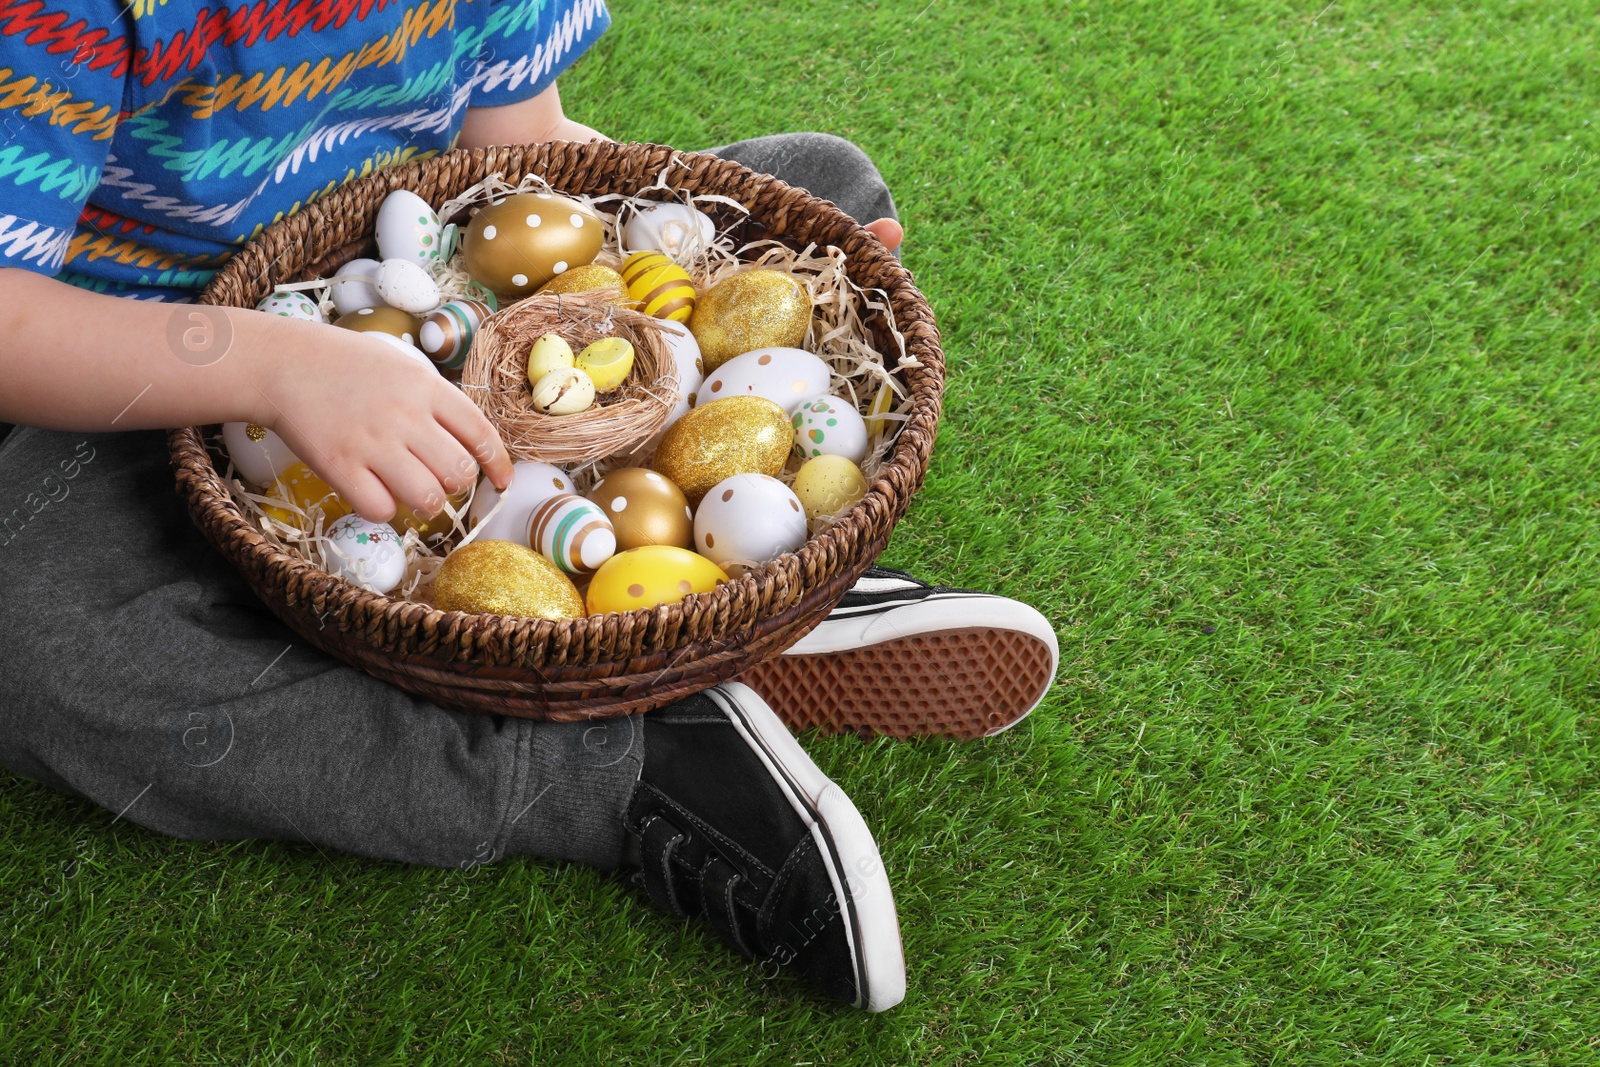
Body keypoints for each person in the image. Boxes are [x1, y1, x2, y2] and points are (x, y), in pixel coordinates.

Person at [0, 1, 1056, 1012]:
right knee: (29, 637)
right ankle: (627, 756)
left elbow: (526, 157)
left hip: (455, 298)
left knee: (816, 180)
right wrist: (273, 367)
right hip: (153, 379)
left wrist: (667, 264)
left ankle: (717, 583)